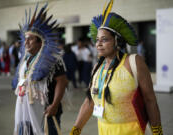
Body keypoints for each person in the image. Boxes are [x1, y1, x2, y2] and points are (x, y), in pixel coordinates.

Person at [69, 0, 163, 135]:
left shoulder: (134, 62)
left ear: (117, 41)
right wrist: (76, 130)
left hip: (132, 130)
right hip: (104, 130)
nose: (98, 44)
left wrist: (157, 131)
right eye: (97, 39)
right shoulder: (97, 67)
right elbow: (89, 102)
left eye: (104, 39)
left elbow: (150, 100)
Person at [12, 3, 68, 135]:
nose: (26, 43)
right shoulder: (25, 60)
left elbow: (62, 81)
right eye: (25, 39)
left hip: (46, 110)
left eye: (30, 39)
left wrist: (54, 105)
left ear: (40, 41)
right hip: (25, 111)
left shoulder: (53, 59)